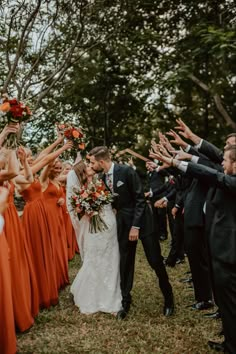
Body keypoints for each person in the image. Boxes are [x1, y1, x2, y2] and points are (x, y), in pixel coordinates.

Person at [150, 145, 236, 354]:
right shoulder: (226, 178)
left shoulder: (232, 182)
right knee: (224, 303)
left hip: (229, 253)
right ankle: (229, 342)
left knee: (231, 304)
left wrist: (176, 162)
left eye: (225, 160)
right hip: (219, 250)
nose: (222, 163)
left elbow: (209, 173)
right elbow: (210, 172)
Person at [88, 146, 174, 320]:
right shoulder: (102, 177)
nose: (91, 165)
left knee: (155, 261)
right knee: (125, 262)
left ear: (101, 161)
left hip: (143, 221)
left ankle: (169, 299)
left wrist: (136, 226)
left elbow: (140, 200)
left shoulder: (126, 171)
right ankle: (125, 300)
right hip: (123, 224)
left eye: (92, 162)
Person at [68, 161, 122, 314]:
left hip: (109, 222)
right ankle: (93, 295)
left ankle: (111, 290)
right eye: (89, 167)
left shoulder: (100, 181)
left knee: (111, 255)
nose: (92, 167)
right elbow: (77, 208)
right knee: (95, 256)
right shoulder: (79, 189)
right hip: (94, 227)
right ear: (83, 173)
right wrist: (87, 209)